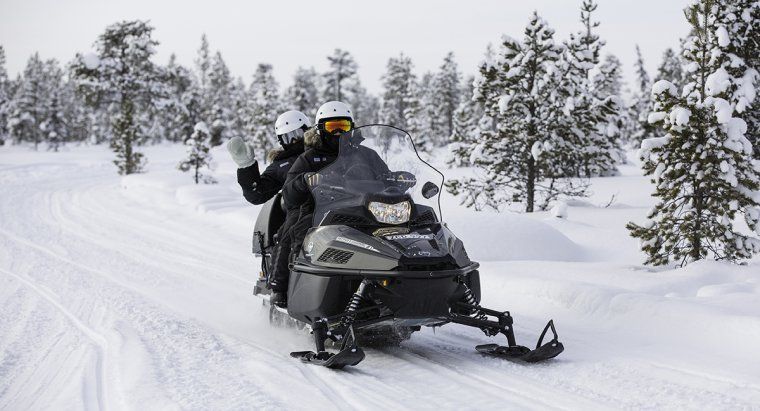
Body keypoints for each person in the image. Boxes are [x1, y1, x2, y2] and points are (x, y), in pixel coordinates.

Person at [275, 101, 392, 307]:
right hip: (319, 208)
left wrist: (397, 179)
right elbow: (289, 192)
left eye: (343, 126)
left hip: (364, 208)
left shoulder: (366, 155)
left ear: (351, 127)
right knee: (295, 233)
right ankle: (282, 286)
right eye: (332, 127)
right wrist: (303, 181)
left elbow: (385, 177)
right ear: (321, 129)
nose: (338, 132)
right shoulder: (309, 157)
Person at [227, 110, 310, 305]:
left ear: (308, 131)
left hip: (336, 206)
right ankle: (278, 286)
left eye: (298, 134)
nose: (295, 141)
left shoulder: (323, 152)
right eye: (288, 137)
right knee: (288, 235)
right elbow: (257, 193)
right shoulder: (282, 165)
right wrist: (246, 166)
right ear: (281, 140)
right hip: (300, 210)